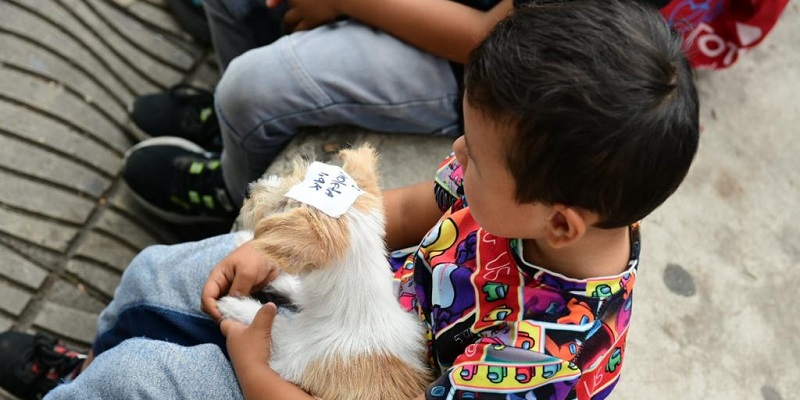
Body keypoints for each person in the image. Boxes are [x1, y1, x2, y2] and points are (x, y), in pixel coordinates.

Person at [0, 0, 699, 398]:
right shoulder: (521, 194)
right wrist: (275, 246)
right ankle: (89, 376)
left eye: (476, 156)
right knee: (161, 272)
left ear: (559, 219)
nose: (455, 155)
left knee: (146, 379)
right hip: (350, 312)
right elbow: (399, 211)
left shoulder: (550, 358)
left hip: (349, 386)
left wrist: (250, 372)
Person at [121, 0, 513, 225]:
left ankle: (235, 186)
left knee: (252, 86)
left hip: (468, 68)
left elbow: (488, 40)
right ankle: (236, 128)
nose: (462, 155)